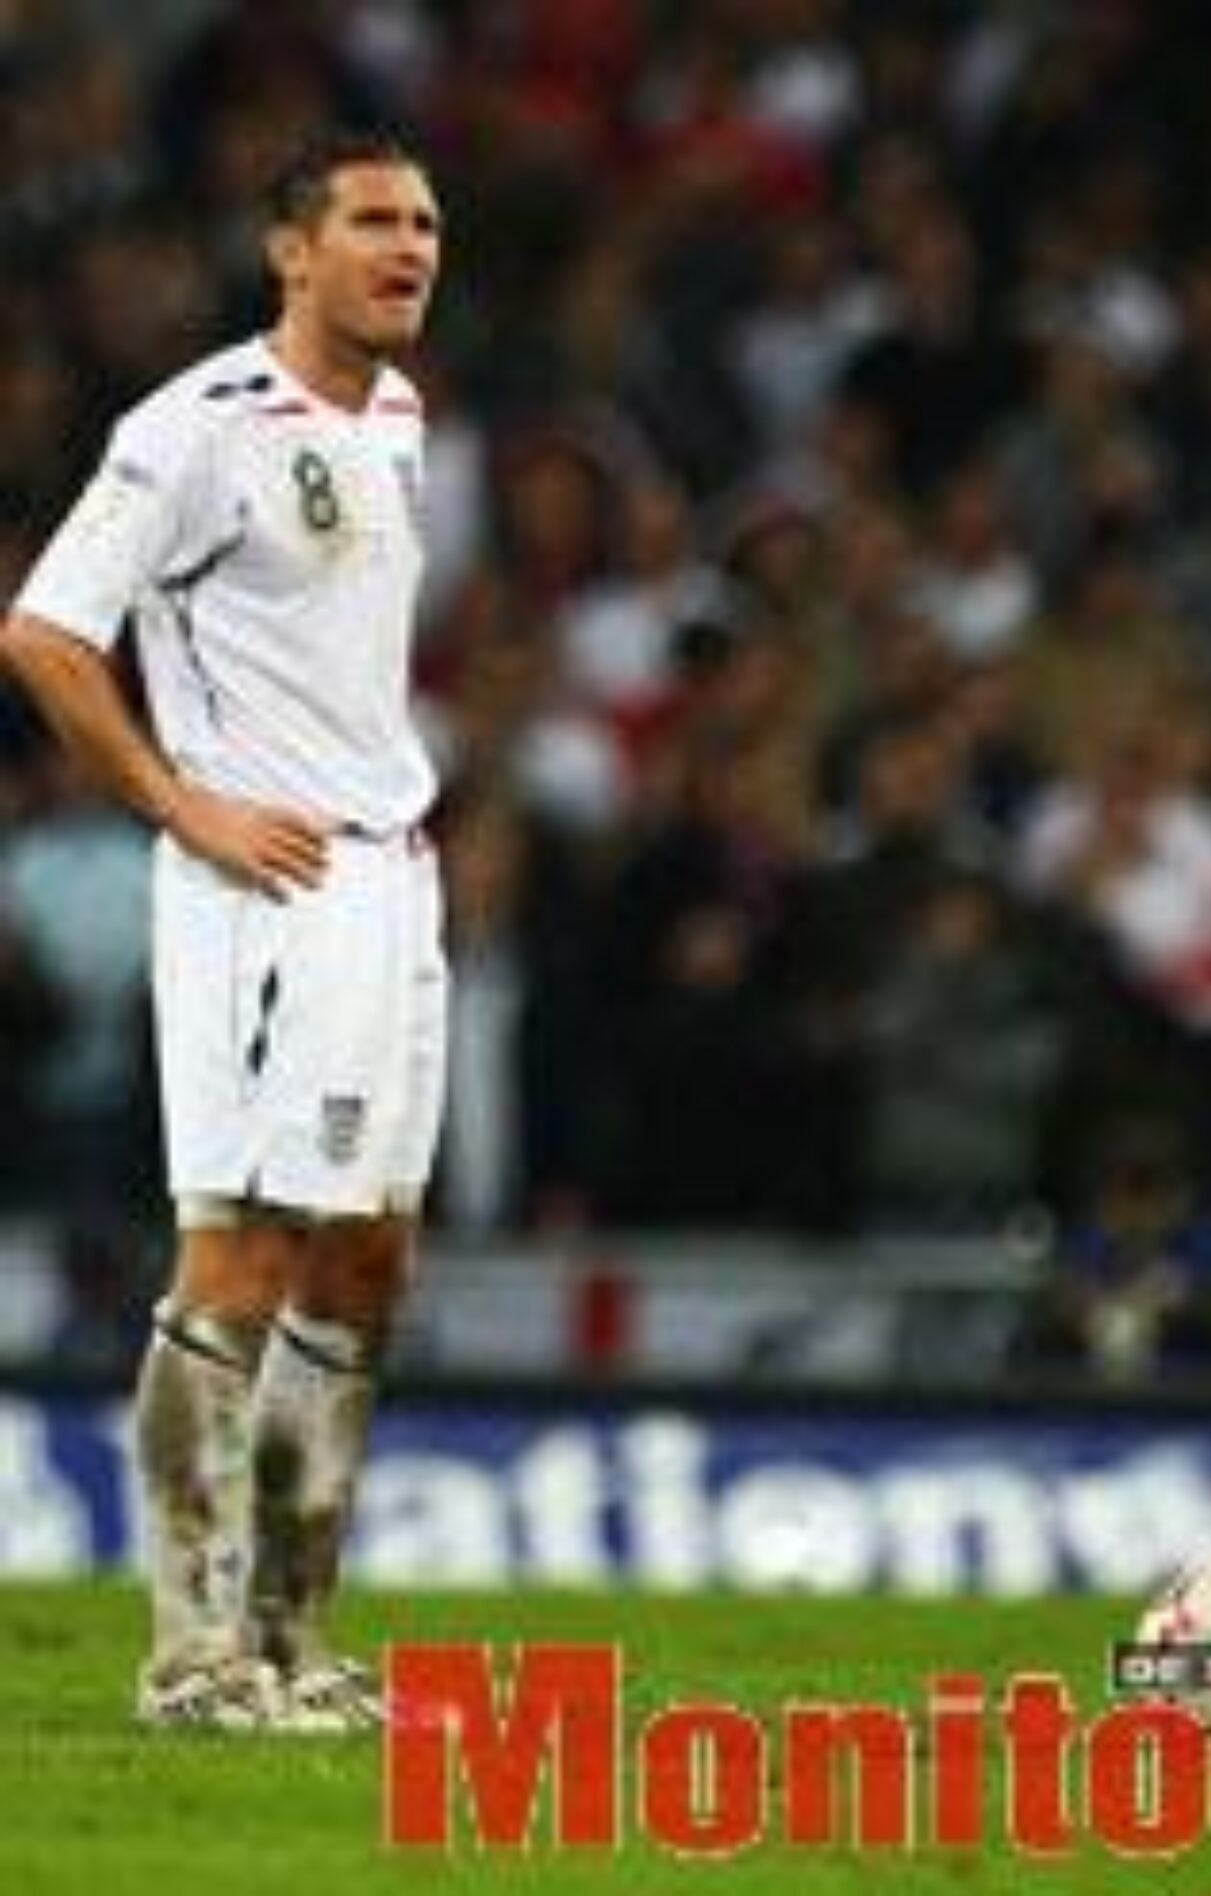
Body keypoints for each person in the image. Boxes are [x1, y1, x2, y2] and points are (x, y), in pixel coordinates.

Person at [0, 129, 447, 1732]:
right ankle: (191, 1659)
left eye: (426, 225)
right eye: (374, 222)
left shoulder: (396, 416)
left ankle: (292, 1641)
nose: (410, 249)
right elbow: (45, 634)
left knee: (367, 1252)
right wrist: (181, 805)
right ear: (291, 251)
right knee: (244, 1248)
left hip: (393, 876)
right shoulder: (194, 427)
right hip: (271, 888)